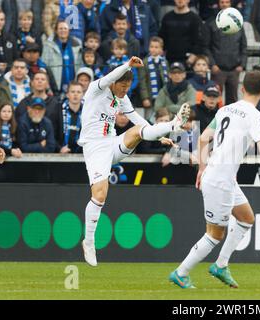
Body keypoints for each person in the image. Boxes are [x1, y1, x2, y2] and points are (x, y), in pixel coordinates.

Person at [169, 70, 260, 289]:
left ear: (242, 88)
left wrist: (202, 168)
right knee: (214, 234)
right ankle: (181, 273)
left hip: (222, 177)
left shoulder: (225, 109)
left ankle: (221, 265)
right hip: (219, 179)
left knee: (247, 218)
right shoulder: (256, 116)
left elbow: (203, 138)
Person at [79, 56, 191, 267]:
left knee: (137, 131)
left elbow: (139, 120)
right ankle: (89, 241)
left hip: (111, 144)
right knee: (100, 196)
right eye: (121, 86)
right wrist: (127, 65)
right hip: (94, 147)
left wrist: (158, 135)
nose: (124, 91)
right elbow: (111, 75)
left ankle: (173, 125)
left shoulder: (122, 99)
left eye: (127, 87)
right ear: (114, 82)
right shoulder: (96, 88)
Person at [204, 0, 247, 105]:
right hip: (218, 70)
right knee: (215, 100)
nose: (224, 4)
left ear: (230, 4)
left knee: (233, 101)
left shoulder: (238, 23)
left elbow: (244, 46)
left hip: (234, 69)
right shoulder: (211, 23)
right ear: (218, 4)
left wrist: (242, 64)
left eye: (227, 2)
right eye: (222, 2)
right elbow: (206, 47)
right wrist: (213, 64)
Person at [41, 20, 82, 95]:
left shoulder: (77, 44)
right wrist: (48, 87)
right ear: (56, 31)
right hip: (55, 88)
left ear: (69, 30)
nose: (63, 30)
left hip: (73, 87)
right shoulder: (48, 45)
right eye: (60, 28)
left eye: (65, 28)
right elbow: (44, 66)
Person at [159, 0, 203, 67]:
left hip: (188, 61)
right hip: (169, 59)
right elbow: (161, 38)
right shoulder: (167, 17)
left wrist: (194, 55)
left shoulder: (195, 19)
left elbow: (199, 41)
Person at [138, 36, 169, 112]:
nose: (153, 49)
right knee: (150, 117)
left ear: (161, 49)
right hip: (150, 96)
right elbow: (142, 82)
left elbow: (168, 79)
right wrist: (145, 98)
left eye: (156, 47)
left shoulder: (165, 62)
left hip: (163, 95)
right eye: (151, 46)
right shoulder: (144, 62)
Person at [59, 82, 84, 153]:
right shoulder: (58, 110)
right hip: (60, 154)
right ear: (67, 94)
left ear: (82, 95)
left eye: (78, 92)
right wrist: (59, 148)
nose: (75, 94)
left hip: (81, 155)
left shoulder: (87, 113)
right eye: (73, 92)